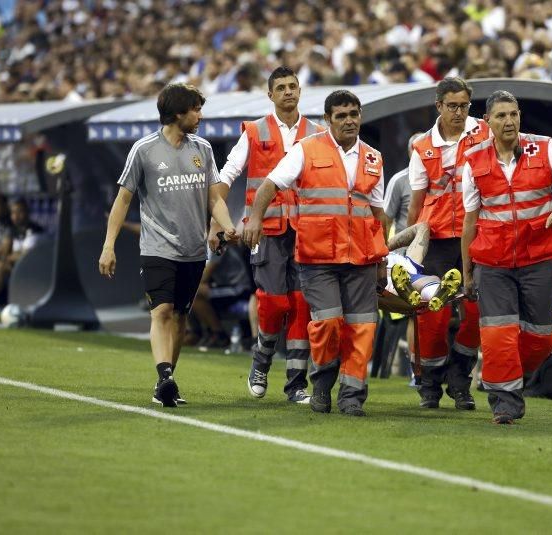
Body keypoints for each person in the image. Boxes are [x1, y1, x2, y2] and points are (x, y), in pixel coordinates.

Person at [243, 89, 387, 417]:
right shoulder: (305, 150)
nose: (350, 121)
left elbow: (378, 214)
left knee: (362, 328)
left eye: (354, 114)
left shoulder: (373, 157)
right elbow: (269, 185)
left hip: (362, 258)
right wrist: (255, 218)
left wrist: (382, 259)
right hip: (318, 258)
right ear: (328, 120)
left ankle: (352, 396)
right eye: (341, 115)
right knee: (328, 324)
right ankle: (322, 384)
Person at [98, 83, 237, 408]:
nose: (200, 116)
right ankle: (164, 376)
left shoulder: (202, 149)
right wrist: (109, 245)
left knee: (180, 317)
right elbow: (123, 200)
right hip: (158, 248)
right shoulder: (143, 150)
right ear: (178, 113)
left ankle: (167, 381)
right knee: (161, 311)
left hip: (194, 250)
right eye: (196, 109)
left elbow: (214, 197)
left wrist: (227, 227)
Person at [461, 89, 552, 425]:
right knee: (496, 333)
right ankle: (504, 403)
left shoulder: (545, 147)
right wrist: (467, 273)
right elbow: (470, 222)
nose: (509, 121)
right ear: (487, 121)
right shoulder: (473, 160)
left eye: (513, 114)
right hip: (492, 263)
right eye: (501, 115)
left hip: (540, 259)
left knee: (541, 336)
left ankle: (510, 376)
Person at [213, 66, 324, 404]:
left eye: (293, 86)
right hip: (267, 231)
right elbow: (228, 173)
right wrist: (217, 219)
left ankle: (296, 384)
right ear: (271, 94)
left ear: (300, 91)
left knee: (302, 306)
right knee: (274, 302)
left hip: (306, 231)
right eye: (281, 87)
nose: (289, 92)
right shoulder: (254, 131)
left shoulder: (317, 133)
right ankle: (261, 360)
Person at [406, 76, 491, 411]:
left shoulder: (485, 132)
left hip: (479, 235)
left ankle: (459, 377)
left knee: (476, 310)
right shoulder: (422, 147)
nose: (459, 112)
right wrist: (410, 251)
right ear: (438, 105)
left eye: (465, 105)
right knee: (432, 314)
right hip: (438, 240)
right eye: (452, 106)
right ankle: (430, 381)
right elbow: (416, 202)